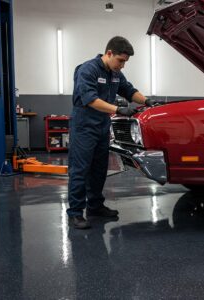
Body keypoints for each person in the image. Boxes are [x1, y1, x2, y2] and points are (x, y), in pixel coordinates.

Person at [67, 36, 158, 229]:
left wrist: (146, 101)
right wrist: (118, 109)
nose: (123, 65)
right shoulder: (88, 69)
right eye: (121, 60)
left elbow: (128, 90)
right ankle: (75, 213)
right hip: (84, 126)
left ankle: (95, 207)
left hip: (101, 127)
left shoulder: (116, 73)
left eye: (125, 61)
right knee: (80, 170)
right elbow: (90, 99)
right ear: (109, 53)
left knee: (99, 170)